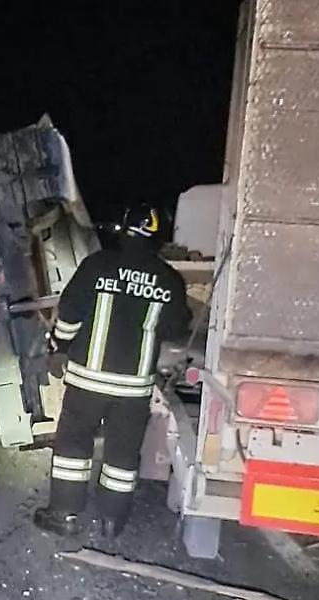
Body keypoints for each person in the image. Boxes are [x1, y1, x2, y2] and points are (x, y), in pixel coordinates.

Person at [34, 205, 190, 538]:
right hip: (133, 390)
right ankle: (111, 522)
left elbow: (70, 314)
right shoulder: (169, 279)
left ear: (122, 229)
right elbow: (177, 329)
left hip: (87, 382)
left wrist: (58, 349)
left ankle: (65, 514)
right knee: (122, 454)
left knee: (74, 447)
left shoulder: (97, 266)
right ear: (159, 239)